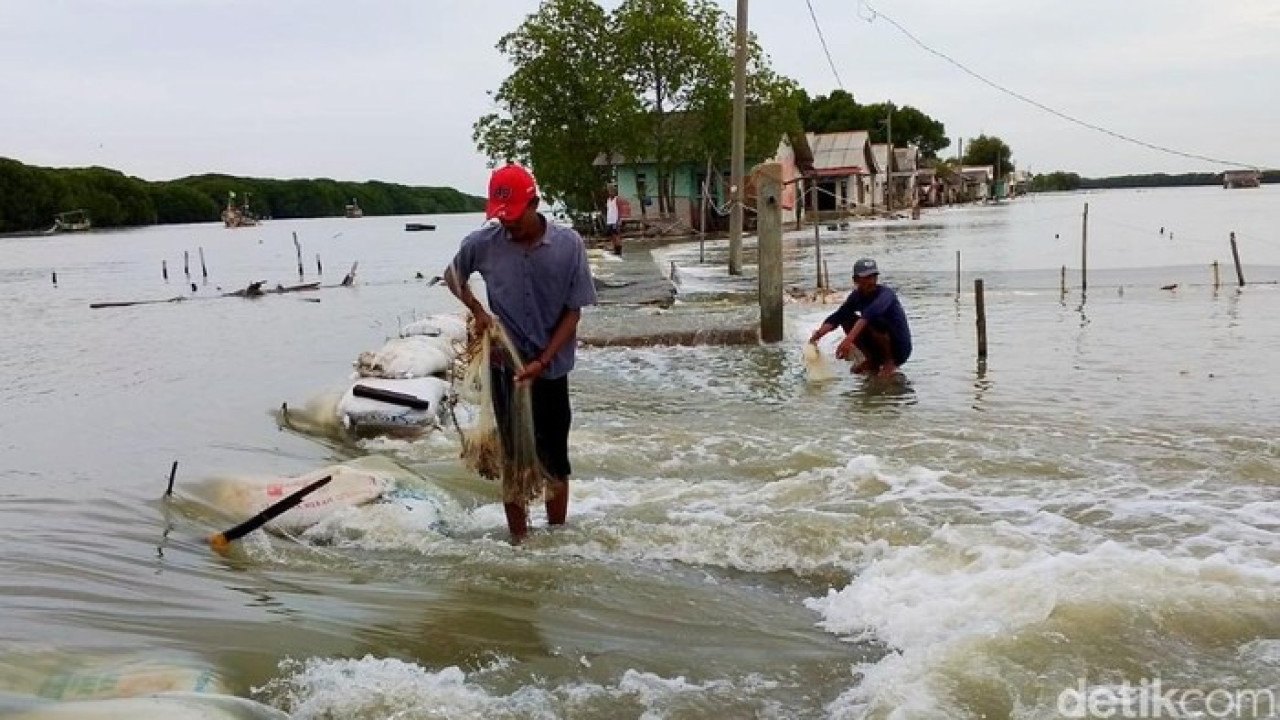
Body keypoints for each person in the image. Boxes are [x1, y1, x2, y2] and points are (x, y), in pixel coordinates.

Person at [444, 164, 598, 543]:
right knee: (514, 459)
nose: (508, 224)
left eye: (514, 216)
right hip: (506, 369)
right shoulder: (483, 243)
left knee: (554, 459)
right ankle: (520, 543)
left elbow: (574, 311)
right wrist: (478, 311)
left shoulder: (568, 245)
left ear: (535, 203)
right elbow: (453, 275)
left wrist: (543, 361)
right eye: (502, 217)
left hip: (551, 369)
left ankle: (557, 538)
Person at [808, 257, 912, 379]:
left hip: (899, 349)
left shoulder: (886, 294)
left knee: (875, 321)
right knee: (846, 317)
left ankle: (889, 362)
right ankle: (873, 360)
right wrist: (817, 335)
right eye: (867, 278)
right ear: (856, 280)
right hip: (877, 342)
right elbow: (838, 316)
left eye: (874, 277)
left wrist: (847, 341)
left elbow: (870, 314)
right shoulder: (856, 296)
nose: (871, 281)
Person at [604, 184, 622, 256]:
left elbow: (620, 209)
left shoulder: (617, 199)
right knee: (612, 236)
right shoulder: (608, 200)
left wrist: (619, 219)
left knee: (616, 235)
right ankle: (615, 248)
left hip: (615, 220)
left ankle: (619, 250)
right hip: (609, 220)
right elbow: (609, 210)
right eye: (609, 191)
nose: (610, 192)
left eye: (611, 191)